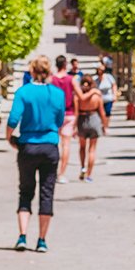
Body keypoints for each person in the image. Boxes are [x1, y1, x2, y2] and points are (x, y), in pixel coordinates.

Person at [6, 55, 66, 253]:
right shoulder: (57, 94)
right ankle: (41, 240)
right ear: (49, 72)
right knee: (47, 193)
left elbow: (13, 119)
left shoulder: (24, 92)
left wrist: (9, 137)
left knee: (25, 191)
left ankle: (22, 236)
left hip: (28, 146)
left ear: (31, 71)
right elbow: (59, 120)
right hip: (50, 147)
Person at [50, 55, 79, 183]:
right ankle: (61, 174)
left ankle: (52, 172)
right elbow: (80, 95)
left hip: (54, 115)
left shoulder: (51, 80)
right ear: (65, 65)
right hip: (69, 114)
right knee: (66, 145)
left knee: (53, 143)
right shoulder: (71, 79)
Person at [75, 75, 109, 182]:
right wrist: (105, 125)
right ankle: (89, 175)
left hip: (82, 120)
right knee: (92, 149)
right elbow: (102, 112)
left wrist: (74, 126)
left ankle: (83, 168)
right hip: (94, 119)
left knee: (82, 147)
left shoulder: (78, 97)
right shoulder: (97, 96)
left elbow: (76, 113)